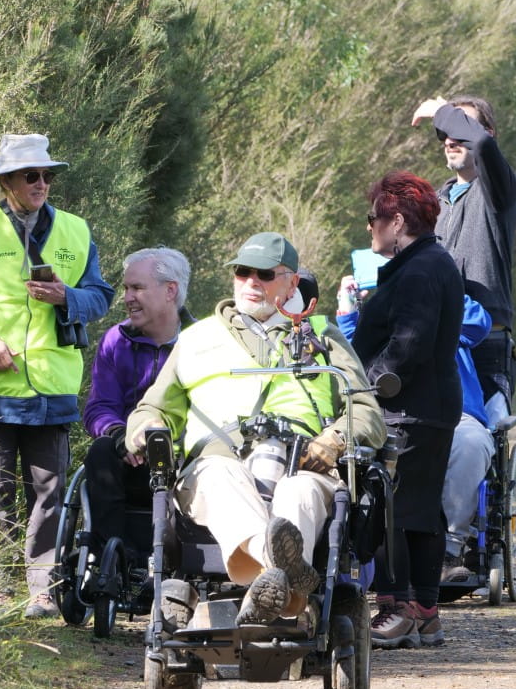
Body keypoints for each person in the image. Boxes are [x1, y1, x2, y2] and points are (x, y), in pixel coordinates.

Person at [123, 232, 386, 626]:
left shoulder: (322, 335)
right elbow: (152, 408)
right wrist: (147, 428)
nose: (251, 282)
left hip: (304, 465)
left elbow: (366, 409)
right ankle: (281, 583)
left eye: (265, 274)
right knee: (221, 475)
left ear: (292, 282)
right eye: (242, 272)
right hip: (217, 465)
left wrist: (338, 436)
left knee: (298, 490)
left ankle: (267, 588)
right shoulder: (196, 338)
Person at [0, 133, 115, 618]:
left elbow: (101, 296)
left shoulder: (77, 230)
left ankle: (42, 589)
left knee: (50, 492)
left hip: (52, 391)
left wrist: (67, 299)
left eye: (48, 175)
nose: (42, 183)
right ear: (6, 181)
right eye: (31, 175)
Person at [348, 170, 464, 649]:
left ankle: (397, 606)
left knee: (389, 506)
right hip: (423, 405)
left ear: (397, 221)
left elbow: (408, 345)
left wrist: (366, 388)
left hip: (408, 407)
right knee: (418, 510)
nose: (369, 228)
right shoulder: (427, 263)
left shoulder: (420, 268)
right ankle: (425, 611)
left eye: (373, 219)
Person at [336, 284, 494, 585]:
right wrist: (349, 312)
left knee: (470, 443)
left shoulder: (445, 315)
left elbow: (480, 324)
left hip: (454, 414)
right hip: (383, 414)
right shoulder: (371, 317)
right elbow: (346, 362)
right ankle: (358, 555)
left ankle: (449, 551)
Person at [81, 247, 194, 566]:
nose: (127, 297)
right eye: (126, 288)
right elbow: (99, 407)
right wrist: (121, 437)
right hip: (129, 458)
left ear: (170, 290)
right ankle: (111, 561)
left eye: (138, 288)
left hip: (184, 462)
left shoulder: (201, 341)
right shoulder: (116, 340)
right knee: (101, 452)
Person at [411, 94, 516, 418]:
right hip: (434, 337)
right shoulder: (433, 203)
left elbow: (484, 147)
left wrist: (441, 112)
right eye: (444, 132)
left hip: (485, 341)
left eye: (462, 128)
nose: (450, 139)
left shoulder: (500, 191)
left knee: (481, 443)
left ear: (488, 132)